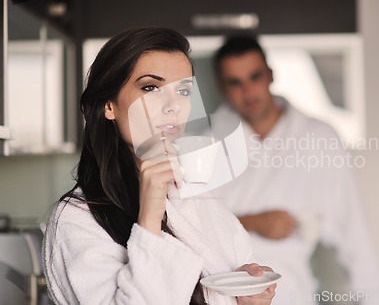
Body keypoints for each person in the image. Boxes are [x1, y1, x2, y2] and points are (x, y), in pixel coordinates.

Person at [42, 27, 276, 305]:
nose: (173, 106)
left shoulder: (199, 201)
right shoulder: (77, 219)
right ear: (109, 104)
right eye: (150, 87)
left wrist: (245, 298)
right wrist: (150, 216)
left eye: (183, 90)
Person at [211, 35, 379, 305]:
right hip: (219, 298)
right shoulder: (206, 143)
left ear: (270, 74)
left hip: (292, 294)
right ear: (222, 87)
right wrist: (254, 222)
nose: (248, 92)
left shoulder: (320, 139)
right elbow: (192, 228)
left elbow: (354, 235)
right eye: (235, 83)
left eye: (255, 77)